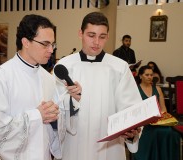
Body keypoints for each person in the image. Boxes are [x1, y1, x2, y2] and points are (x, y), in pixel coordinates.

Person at [54, 12, 142, 160]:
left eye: (102, 37)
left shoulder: (119, 67)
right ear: (80, 33)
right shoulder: (65, 66)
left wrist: (131, 131)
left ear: (107, 37)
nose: (96, 42)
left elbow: (131, 107)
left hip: (109, 147)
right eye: (91, 35)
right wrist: (71, 101)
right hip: (74, 145)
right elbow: (54, 107)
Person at [0, 14, 67, 160]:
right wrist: (37, 115)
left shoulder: (48, 78)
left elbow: (53, 125)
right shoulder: (0, 78)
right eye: (45, 44)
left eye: (53, 44)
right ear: (26, 42)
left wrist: (56, 119)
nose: (51, 50)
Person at [133, 65, 181, 160]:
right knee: (157, 132)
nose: (150, 77)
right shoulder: (135, 90)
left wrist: (161, 118)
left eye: (151, 75)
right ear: (140, 76)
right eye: (147, 75)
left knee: (172, 133)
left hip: (158, 120)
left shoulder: (158, 89)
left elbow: (163, 108)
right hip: (143, 122)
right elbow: (135, 110)